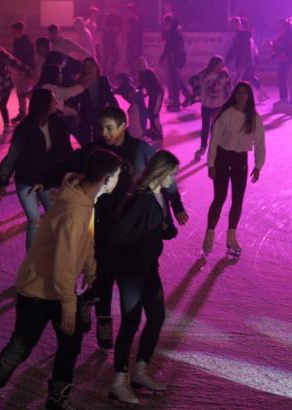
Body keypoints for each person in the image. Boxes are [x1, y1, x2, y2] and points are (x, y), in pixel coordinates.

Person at [0, 150, 124, 410]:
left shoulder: (84, 201)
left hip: (58, 288)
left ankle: (57, 398)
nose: (119, 181)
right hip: (38, 290)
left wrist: (90, 269)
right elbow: (64, 264)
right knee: (21, 345)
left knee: (70, 343)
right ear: (107, 179)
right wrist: (69, 308)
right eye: (117, 176)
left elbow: (86, 241)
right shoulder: (74, 210)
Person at [69, 107, 188, 350]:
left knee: (115, 274)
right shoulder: (95, 150)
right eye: (101, 127)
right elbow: (69, 165)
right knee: (104, 274)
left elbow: (162, 174)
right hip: (102, 222)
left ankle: (89, 301)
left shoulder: (140, 149)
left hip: (130, 224)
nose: (104, 133)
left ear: (123, 126)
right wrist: (47, 181)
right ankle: (103, 320)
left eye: (109, 128)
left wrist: (176, 206)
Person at [102, 150, 180, 404]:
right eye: (172, 174)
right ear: (162, 172)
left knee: (156, 316)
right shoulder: (140, 200)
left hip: (148, 267)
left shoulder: (160, 196)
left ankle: (139, 371)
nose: (174, 179)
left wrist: (166, 230)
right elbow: (118, 235)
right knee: (131, 321)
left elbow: (165, 229)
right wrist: (103, 271)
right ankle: (118, 382)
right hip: (130, 271)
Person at [0, 88, 74, 249]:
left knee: (54, 216)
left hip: (46, 180)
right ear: (44, 105)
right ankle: (31, 258)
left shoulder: (56, 123)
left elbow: (66, 151)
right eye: (52, 101)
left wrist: (70, 173)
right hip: (27, 180)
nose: (56, 103)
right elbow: (13, 155)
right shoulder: (26, 129)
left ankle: (54, 253)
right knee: (35, 221)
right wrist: (3, 180)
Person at [204, 82, 265, 257]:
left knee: (237, 200)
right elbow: (214, 140)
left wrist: (258, 165)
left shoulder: (254, 118)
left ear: (249, 96)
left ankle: (231, 236)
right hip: (223, 159)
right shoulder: (226, 115)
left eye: (245, 93)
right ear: (234, 95)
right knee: (219, 198)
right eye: (239, 92)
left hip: (240, 161)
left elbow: (260, 143)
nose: (241, 96)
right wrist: (211, 163)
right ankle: (209, 234)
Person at [74, 57, 120, 146]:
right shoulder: (81, 82)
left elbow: (110, 97)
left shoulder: (103, 80)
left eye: (91, 66)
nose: (89, 69)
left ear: (96, 67)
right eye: (86, 67)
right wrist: (74, 112)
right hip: (85, 114)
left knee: (99, 137)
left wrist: (117, 110)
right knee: (85, 140)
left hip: (100, 113)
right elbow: (75, 99)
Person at [195, 56, 231, 159]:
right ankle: (203, 147)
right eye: (221, 64)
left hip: (219, 106)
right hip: (207, 105)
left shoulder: (224, 74)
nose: (223, 66)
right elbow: (201, 87)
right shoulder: (204, 74)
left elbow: (229, 88)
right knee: (205, 127)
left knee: (216, 129)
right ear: (215, 65)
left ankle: (213, 150)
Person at [159, 14, 191, 112]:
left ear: (169, 23)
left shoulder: (175, 34)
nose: (164, 25)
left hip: (176, 60)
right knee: (174, 80)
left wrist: (178, 65)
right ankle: (185, 96)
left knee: (174, 81)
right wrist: (162, 58)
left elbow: (179, 50)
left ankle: (176, 102)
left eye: (165, 23)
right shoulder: (169, 33)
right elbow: (167, 47)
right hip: (172, 60)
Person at [271, 17, 292, 114]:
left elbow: (285, 48)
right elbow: (282, 48)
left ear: (285, 26)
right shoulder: (285, 35)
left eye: (281, 26)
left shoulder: (290, 35)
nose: (279, 28)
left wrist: (275, 51)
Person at [225, 16, 261, 94]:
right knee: (249, 78)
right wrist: (226, 61)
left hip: (245, 63)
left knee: (242, 81)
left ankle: (238, 96)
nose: (230, 26)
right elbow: (234, 50)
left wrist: (242, 64)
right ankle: (261, 90)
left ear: (238, 24)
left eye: (232, 24)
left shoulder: (242, 36)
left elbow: (246, 51)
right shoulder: (241, 35)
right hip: (247, 62)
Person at [10, 22, 36, 123]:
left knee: (24, 93)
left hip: (24, 71)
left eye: (14, 31)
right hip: (19, 70)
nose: (13, 33)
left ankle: (34, 110)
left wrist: (27, 71)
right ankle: (22, 112)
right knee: (20, 92)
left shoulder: (27, 43)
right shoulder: (16, 41)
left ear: (20, 30)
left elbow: (30, 58)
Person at [136, 58, 165, 142]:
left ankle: (158, 132)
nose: (138, 67)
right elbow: (143, 85)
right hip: (153, 94)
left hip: (158, 94)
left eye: (139, 65)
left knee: (154, 113)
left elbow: (153, 85)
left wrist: (143, 91)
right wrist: (144, 92)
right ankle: (153, 129)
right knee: (150, 112)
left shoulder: (149, 73)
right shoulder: (142, 74)